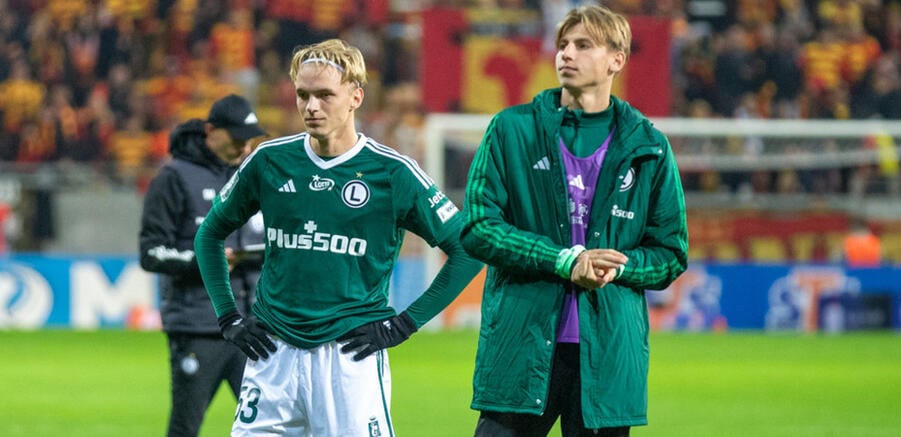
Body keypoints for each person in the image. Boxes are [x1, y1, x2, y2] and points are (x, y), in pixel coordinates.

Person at [193, 38, 483, 436]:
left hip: (349, 358)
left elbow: (468, 250)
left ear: (355, 96)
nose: (311, 107)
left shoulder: (391, 173)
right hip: (271, 352)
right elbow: (209, 234)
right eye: (303, 95)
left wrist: (403, 325)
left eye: (325, 95)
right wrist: (228, 317)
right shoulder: (269, 161)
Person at [460, 5, 689, 436]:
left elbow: (671, 252)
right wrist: (562, 259)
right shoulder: (512, 130)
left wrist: (618, 265)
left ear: (616, 59)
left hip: (605, 360)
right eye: (563, 45)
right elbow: (477, 227)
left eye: (583, 45)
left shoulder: (649, 146)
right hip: (521, 350)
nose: (566, 54)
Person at [138, 94, 268, 437]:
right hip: (198, 326)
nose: (244, 147)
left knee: (274, 425)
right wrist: (205, 260)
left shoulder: (251, 174)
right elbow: (151, 252)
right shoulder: (174, 178)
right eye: (237, 138)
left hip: (253, 327)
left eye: (250, 140)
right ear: (211, 131)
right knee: (186, 427)